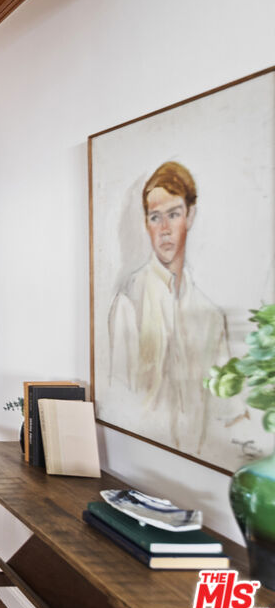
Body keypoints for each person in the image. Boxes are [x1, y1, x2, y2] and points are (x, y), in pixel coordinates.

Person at [109, 161, 230, 455]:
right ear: (146, 223)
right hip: (137, 455)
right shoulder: (128, 299)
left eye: (173, 215)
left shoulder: (211, 316)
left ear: (189, 216)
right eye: (155, 217)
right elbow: (118, 395)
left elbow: (224, 408)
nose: (164, 229)